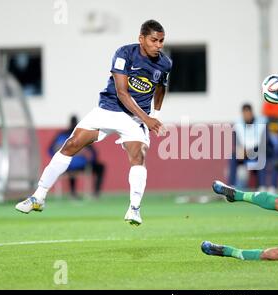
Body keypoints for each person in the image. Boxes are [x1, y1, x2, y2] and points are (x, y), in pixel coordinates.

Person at [15, 20, 172, 227]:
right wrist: (148, 118)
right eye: (154, 40)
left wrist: (156, 113)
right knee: (71, 144)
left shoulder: (165, 63)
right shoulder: (124, 54)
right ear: (141, 39)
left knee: (138, 155)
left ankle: (134, 209)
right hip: (108, 109)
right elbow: (122, 93)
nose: (158, 45)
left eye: (161, 41)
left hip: (134, 119)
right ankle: (38, 197)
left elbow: (161, 87)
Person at [49, 115, 105, 199]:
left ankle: (75, 193)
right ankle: (93, 193)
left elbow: (50, 150)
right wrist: (90, 160)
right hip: (74, 166)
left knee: (68, 163)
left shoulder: (64, 135)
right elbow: (93, 154)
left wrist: (57, 159)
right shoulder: (81, 134)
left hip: (68, 165)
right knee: (72, 164)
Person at [229, 103, 266, 189]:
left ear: (252, 113)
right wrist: (241, 150)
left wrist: (251, 150)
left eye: (248, 113)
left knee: (262, 156)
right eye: (245, 113)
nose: (247, 116)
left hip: (257, 151)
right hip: (243, 153)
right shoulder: (238, 124)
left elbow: (263, 142)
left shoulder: (261, 123)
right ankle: (231, 186)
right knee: (233, 157)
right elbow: (237, 142)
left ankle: (262, 186)